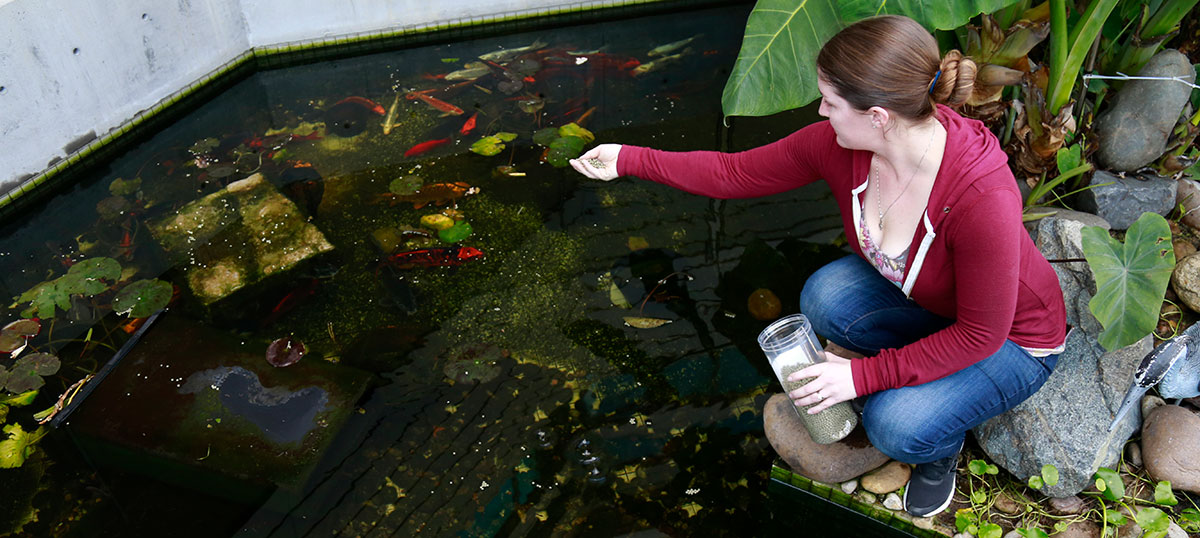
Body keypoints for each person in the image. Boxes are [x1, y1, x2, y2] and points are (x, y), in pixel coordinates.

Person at [569, 14, 1067, 518]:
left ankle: (940, 451)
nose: (820, 110)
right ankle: (921, 373)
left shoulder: (980, 194)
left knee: (894, 426)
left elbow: (980, 335)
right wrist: (629, 158)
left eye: (830, 101)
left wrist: (860, 378)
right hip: (935, 303)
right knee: (825, 297)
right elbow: (735, 172)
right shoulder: (844, 145)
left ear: (877, 115)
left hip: (1013, 339)